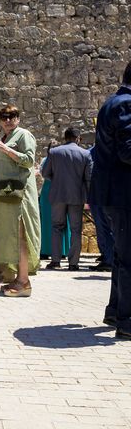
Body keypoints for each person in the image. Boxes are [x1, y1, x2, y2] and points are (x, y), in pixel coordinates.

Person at [89, 61, 131, 340]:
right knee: (128, 259)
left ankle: (116, 310)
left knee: (121, 255)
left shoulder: (112, 102)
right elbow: (128, 151)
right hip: (124, 192)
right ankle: (126, 321)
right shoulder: (127, 104)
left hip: (112, 192)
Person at [0, 104, 41, 296]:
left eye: (12, 116)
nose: (8, 120)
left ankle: (24, 282)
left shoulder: (23, 135)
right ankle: (15, 278)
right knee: (10, 236)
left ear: (18, 118)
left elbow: (28, 160)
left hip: (19, 196)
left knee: (20, 236)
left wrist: (4, 150)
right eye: (4, 116)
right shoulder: (5, 138)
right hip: (6, 196)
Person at [41, 127, 92, 271]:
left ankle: (56, 261)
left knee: (56, 227)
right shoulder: (85, 154)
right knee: (76, 229)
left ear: (65, 138)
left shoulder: (54, 152)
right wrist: (88, 196)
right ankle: (73, 263)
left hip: (57, 194)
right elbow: (89, 178)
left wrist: (56, 180)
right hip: (77, 196)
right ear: (78, 138)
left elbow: (45, 173)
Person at [39, 142, 72, 261]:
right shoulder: (45, 160)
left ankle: (62, 250)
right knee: (47, 220)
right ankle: (46, 250)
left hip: (59, 189)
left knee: (63, 220)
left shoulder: (64, 160)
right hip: (48, 190)